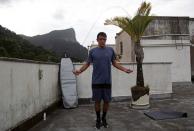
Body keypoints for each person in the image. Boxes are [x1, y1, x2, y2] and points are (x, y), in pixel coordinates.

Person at [73, 32, 133, 129]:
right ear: (97, 40)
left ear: (106, 40)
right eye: (100, 39)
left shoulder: (110, 50)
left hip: (107, 81)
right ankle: (98, 119)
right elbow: (87, 64)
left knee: (106, 101)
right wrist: (79, 71)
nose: (102, 41)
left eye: (104, 39)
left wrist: (125, 69)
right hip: (96, 81)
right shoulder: (92, 51)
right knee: (97, 101)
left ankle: (104, 118)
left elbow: (115, 63)